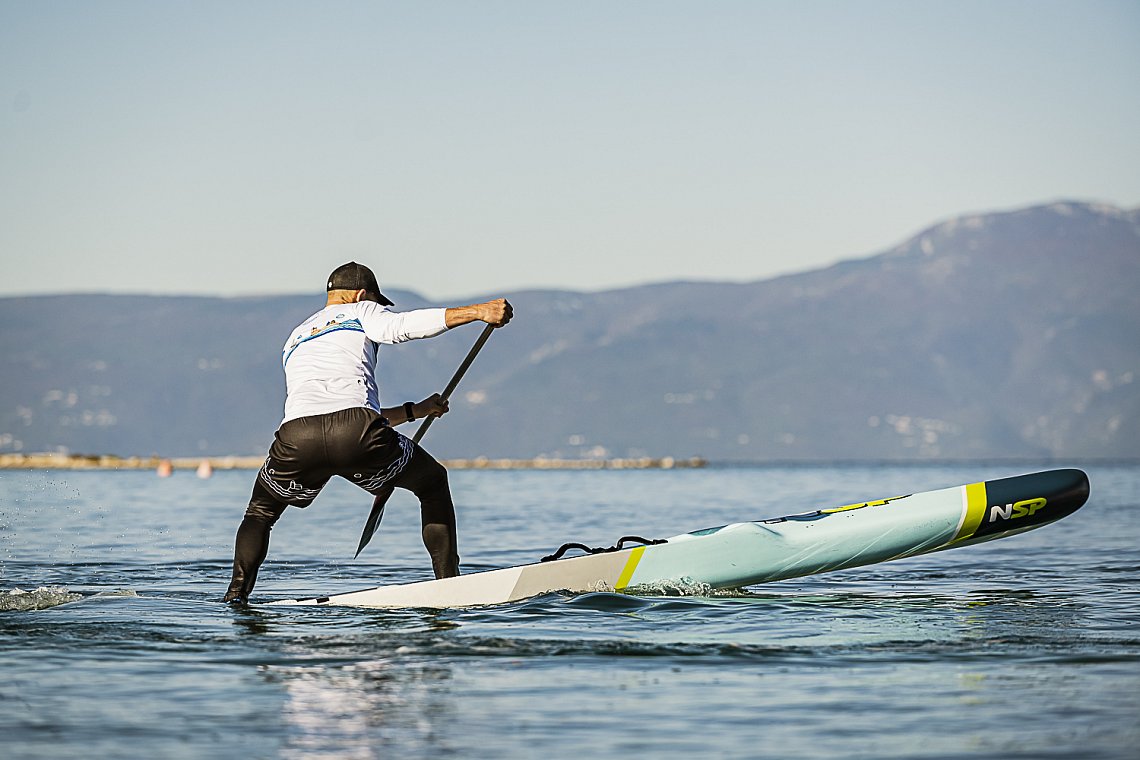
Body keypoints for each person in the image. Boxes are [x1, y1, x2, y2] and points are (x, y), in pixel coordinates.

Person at [223, 262, 512, 604]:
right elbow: (401, 327)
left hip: (297, 437)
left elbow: (330, 414)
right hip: (357, 433)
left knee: (259, 514)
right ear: (362, 294)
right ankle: (449, 586)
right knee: (432, 481)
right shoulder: (361, 310)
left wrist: (414, 411)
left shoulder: (296, 335)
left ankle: (236, 596)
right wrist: (479, 312)